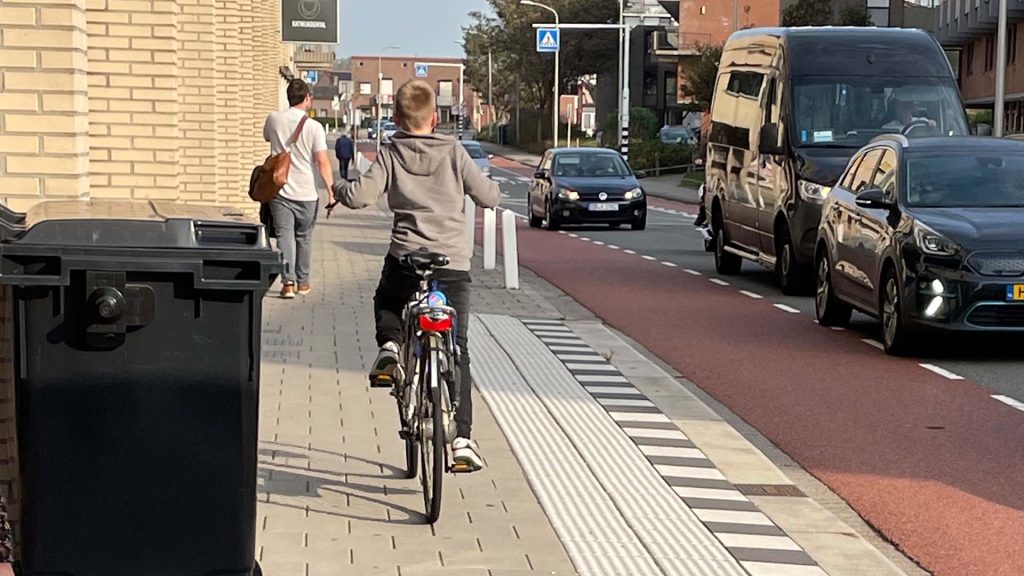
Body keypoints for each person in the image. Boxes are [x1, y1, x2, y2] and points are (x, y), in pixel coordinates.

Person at [329, 80, 500, 471]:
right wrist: (491, 190)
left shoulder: (391, 153)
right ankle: (462, 440)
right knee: (458, 347)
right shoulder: (454, 151)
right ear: (435, 118)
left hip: (408, 259)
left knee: (387, 300)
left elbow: (359, 197)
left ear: (397, 119)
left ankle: (390, 347)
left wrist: (337, 186)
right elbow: (488, 197)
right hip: (452, 264)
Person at [263, 78, 334, 299]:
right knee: (304, 237)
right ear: (307, 98)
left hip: (279, 188)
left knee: (284, 236)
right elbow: (322, 161)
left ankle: (288, 283)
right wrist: (331, 192)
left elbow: (266, 137)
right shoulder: (314, 127)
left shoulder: (274, 119)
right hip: (307, 192)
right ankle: (303, 283)